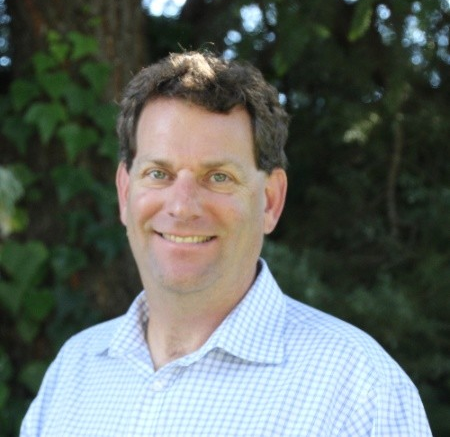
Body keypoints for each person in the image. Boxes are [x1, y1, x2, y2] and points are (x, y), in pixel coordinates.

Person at [21, 51, 432, 436]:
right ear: (125, 191)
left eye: (218, 177)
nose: (182, 207)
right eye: (158, 174)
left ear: (270, 201)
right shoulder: (74, 371)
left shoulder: (359, 389)